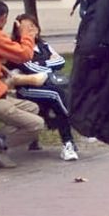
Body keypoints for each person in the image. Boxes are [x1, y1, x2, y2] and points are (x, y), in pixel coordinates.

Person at [8, 14, 78, 161]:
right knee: (56, 95)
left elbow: (61, 61)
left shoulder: (43, 45)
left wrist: (42, 66)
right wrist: (47, 65)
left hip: (48, 85)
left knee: (60, 94)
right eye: (27, 27)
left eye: (33, 25)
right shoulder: (16, 48)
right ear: (18, 30)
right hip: (27, 89)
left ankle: (69, 142)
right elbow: (30, 68)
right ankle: (73, 128)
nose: (32, 29)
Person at [0, 0, 45, 169]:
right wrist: (26, 34)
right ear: (3, 18)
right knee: (36, 124)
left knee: (32, 108)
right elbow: (24, 54)